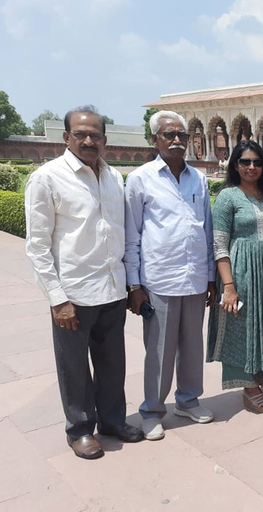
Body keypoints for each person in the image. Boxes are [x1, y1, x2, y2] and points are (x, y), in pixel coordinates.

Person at [25, 105, 143, 459]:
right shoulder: (48, 178)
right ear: (66, 137)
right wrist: (57, 298)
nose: (89, 140)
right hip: (73, 293)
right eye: (81, 134)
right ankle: (79, 430)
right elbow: (37, 246)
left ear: (105, 140)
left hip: (110, 287)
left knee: (112, 363)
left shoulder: (112, 178)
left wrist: (130, 285)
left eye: (95, 134)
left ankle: (111, 421)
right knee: (74, 367)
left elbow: (120, 233)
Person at [124, 110, 216, 441]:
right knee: (160, 351)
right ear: (155, 140)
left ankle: (188, 400)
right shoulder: (140, 179)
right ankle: (151, 410)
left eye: (182, 135)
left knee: (192, 346)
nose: (177, 140)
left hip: (193, 278)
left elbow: (205, 230)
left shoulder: (199, 179)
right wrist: (134, 284)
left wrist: (210, 277)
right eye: (169, 135)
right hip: (158, 279)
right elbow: (131, 235)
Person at [207, 140, 263, 414]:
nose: (251, 167)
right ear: (235, 165)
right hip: (239, 270)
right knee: (242, 326)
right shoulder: (227, 196)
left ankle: (262, 377)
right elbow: (219, 244)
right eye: (245, 162)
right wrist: (228, 285)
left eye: (257, 162)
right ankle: (248, 386)